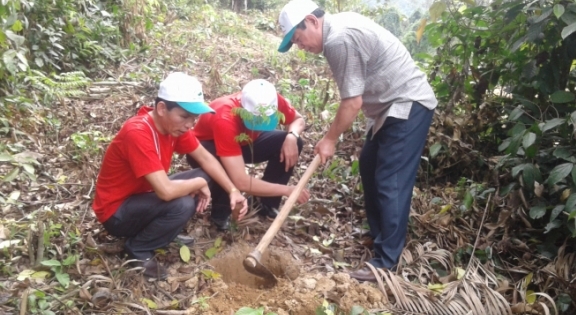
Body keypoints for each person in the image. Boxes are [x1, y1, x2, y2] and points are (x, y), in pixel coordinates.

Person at [278, 0, 438, 282]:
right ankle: (381, 237)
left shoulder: (339, 38)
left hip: (407, 103)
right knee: (369, 165)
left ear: (312, 21)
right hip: (388, 108)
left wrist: (329, 140)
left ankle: (386, 261)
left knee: (391, 178)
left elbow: (352, 102)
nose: (301, 46)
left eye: (299, 38)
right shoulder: (337, 30)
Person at [92, 72, 248, 279]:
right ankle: (138, 249)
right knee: (182, 203)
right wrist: (198, 182)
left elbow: (206, 159)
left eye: (194, 118)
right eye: (184, 116)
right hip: (116, 212)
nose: (189, 125)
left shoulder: (174, 128)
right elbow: (165, 192)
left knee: (207, 173)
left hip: (142, 195)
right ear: (162, 108)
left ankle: (164, 232)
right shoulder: (137, 132)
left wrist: (233, 191)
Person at [188, 79, 309, 230]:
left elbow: (298, 119)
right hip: (207, 150)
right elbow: (241, 182)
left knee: (293, 142)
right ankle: (221, 213)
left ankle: (265, 203)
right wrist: (288, 191)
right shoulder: (225, 117)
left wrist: (292, 136)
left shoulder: (270, 99)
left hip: (244, 143)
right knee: (227, 171)